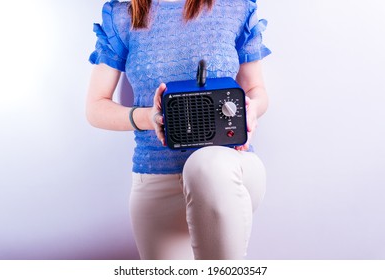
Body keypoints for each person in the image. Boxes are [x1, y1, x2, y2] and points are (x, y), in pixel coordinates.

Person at [86, 0, 271, 260]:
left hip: (229, 169)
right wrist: (149, 118)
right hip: (156, 179)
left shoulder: (236, 6)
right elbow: (95, 108)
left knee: (206, 164)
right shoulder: (122, 15)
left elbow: (256, 90)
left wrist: (250, 110)